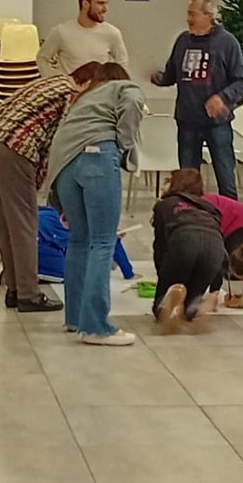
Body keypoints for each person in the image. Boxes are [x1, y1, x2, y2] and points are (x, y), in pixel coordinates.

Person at [0, 63, 97, 314]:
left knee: (5, 223)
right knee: (24, 224)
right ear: (87, 82)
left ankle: (15, 288)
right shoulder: (69, 93)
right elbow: (59, 145)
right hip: (13, 149)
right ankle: (29, 294)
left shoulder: (49, 83)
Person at [47, 63, 145, 345]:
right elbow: (134, 102)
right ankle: (97, 327)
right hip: (98, 157)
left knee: (79, 240)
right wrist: (126, 146)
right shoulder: (124, 88)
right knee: (103, 242)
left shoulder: (84, 99)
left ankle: (76, 318)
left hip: (64, 165)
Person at [149, 0, 243, 200]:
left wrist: (222, 98)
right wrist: (157, 78)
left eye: (192, 14)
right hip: (187, 122)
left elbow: (241, 82)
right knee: (186, 182)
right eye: (188, 14)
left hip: (217, 124)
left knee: (225, 178)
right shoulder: (183, 41)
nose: (188, 19)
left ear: (209, 16)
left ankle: (228, 222)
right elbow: (171, 75)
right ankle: (189, 219)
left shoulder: (227, 43)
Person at [151, 170, 231, 332]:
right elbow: (221, 247)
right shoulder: (210, 208)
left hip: (183, 241)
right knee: (191, 302)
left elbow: (160, 245)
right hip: (215, 249)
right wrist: (215, 288)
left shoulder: (165, 204)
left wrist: (164, 275)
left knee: (160, 304)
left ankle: (168, 301)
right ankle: (193, 307)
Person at [38, 0, 129, 77]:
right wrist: (57, 79)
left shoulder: (112, 33)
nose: (105, 9)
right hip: (70, 90)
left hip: (99, 90)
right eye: (100, 3)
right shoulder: (61, 32)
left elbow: (122, 63)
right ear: (85, 4)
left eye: (106, 3)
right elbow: (42, 58)